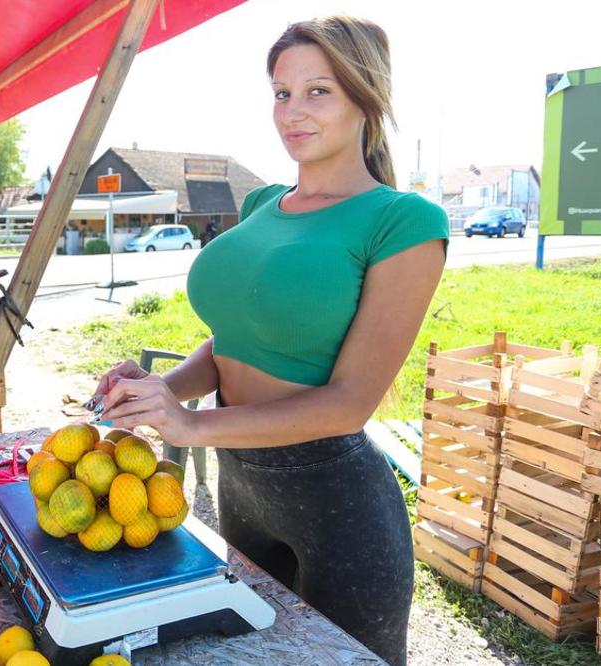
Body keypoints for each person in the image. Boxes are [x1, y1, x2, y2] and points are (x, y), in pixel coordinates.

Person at [93, 15, 448, 666]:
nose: (292, 111)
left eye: (319, 91)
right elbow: (232, 342)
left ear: (366, 98)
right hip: (244, 491)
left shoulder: (404, 221)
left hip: (341, 509)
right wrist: (157, 393)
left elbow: (349, 405)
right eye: (281, 93)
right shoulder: (261, 203)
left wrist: (192, 427)